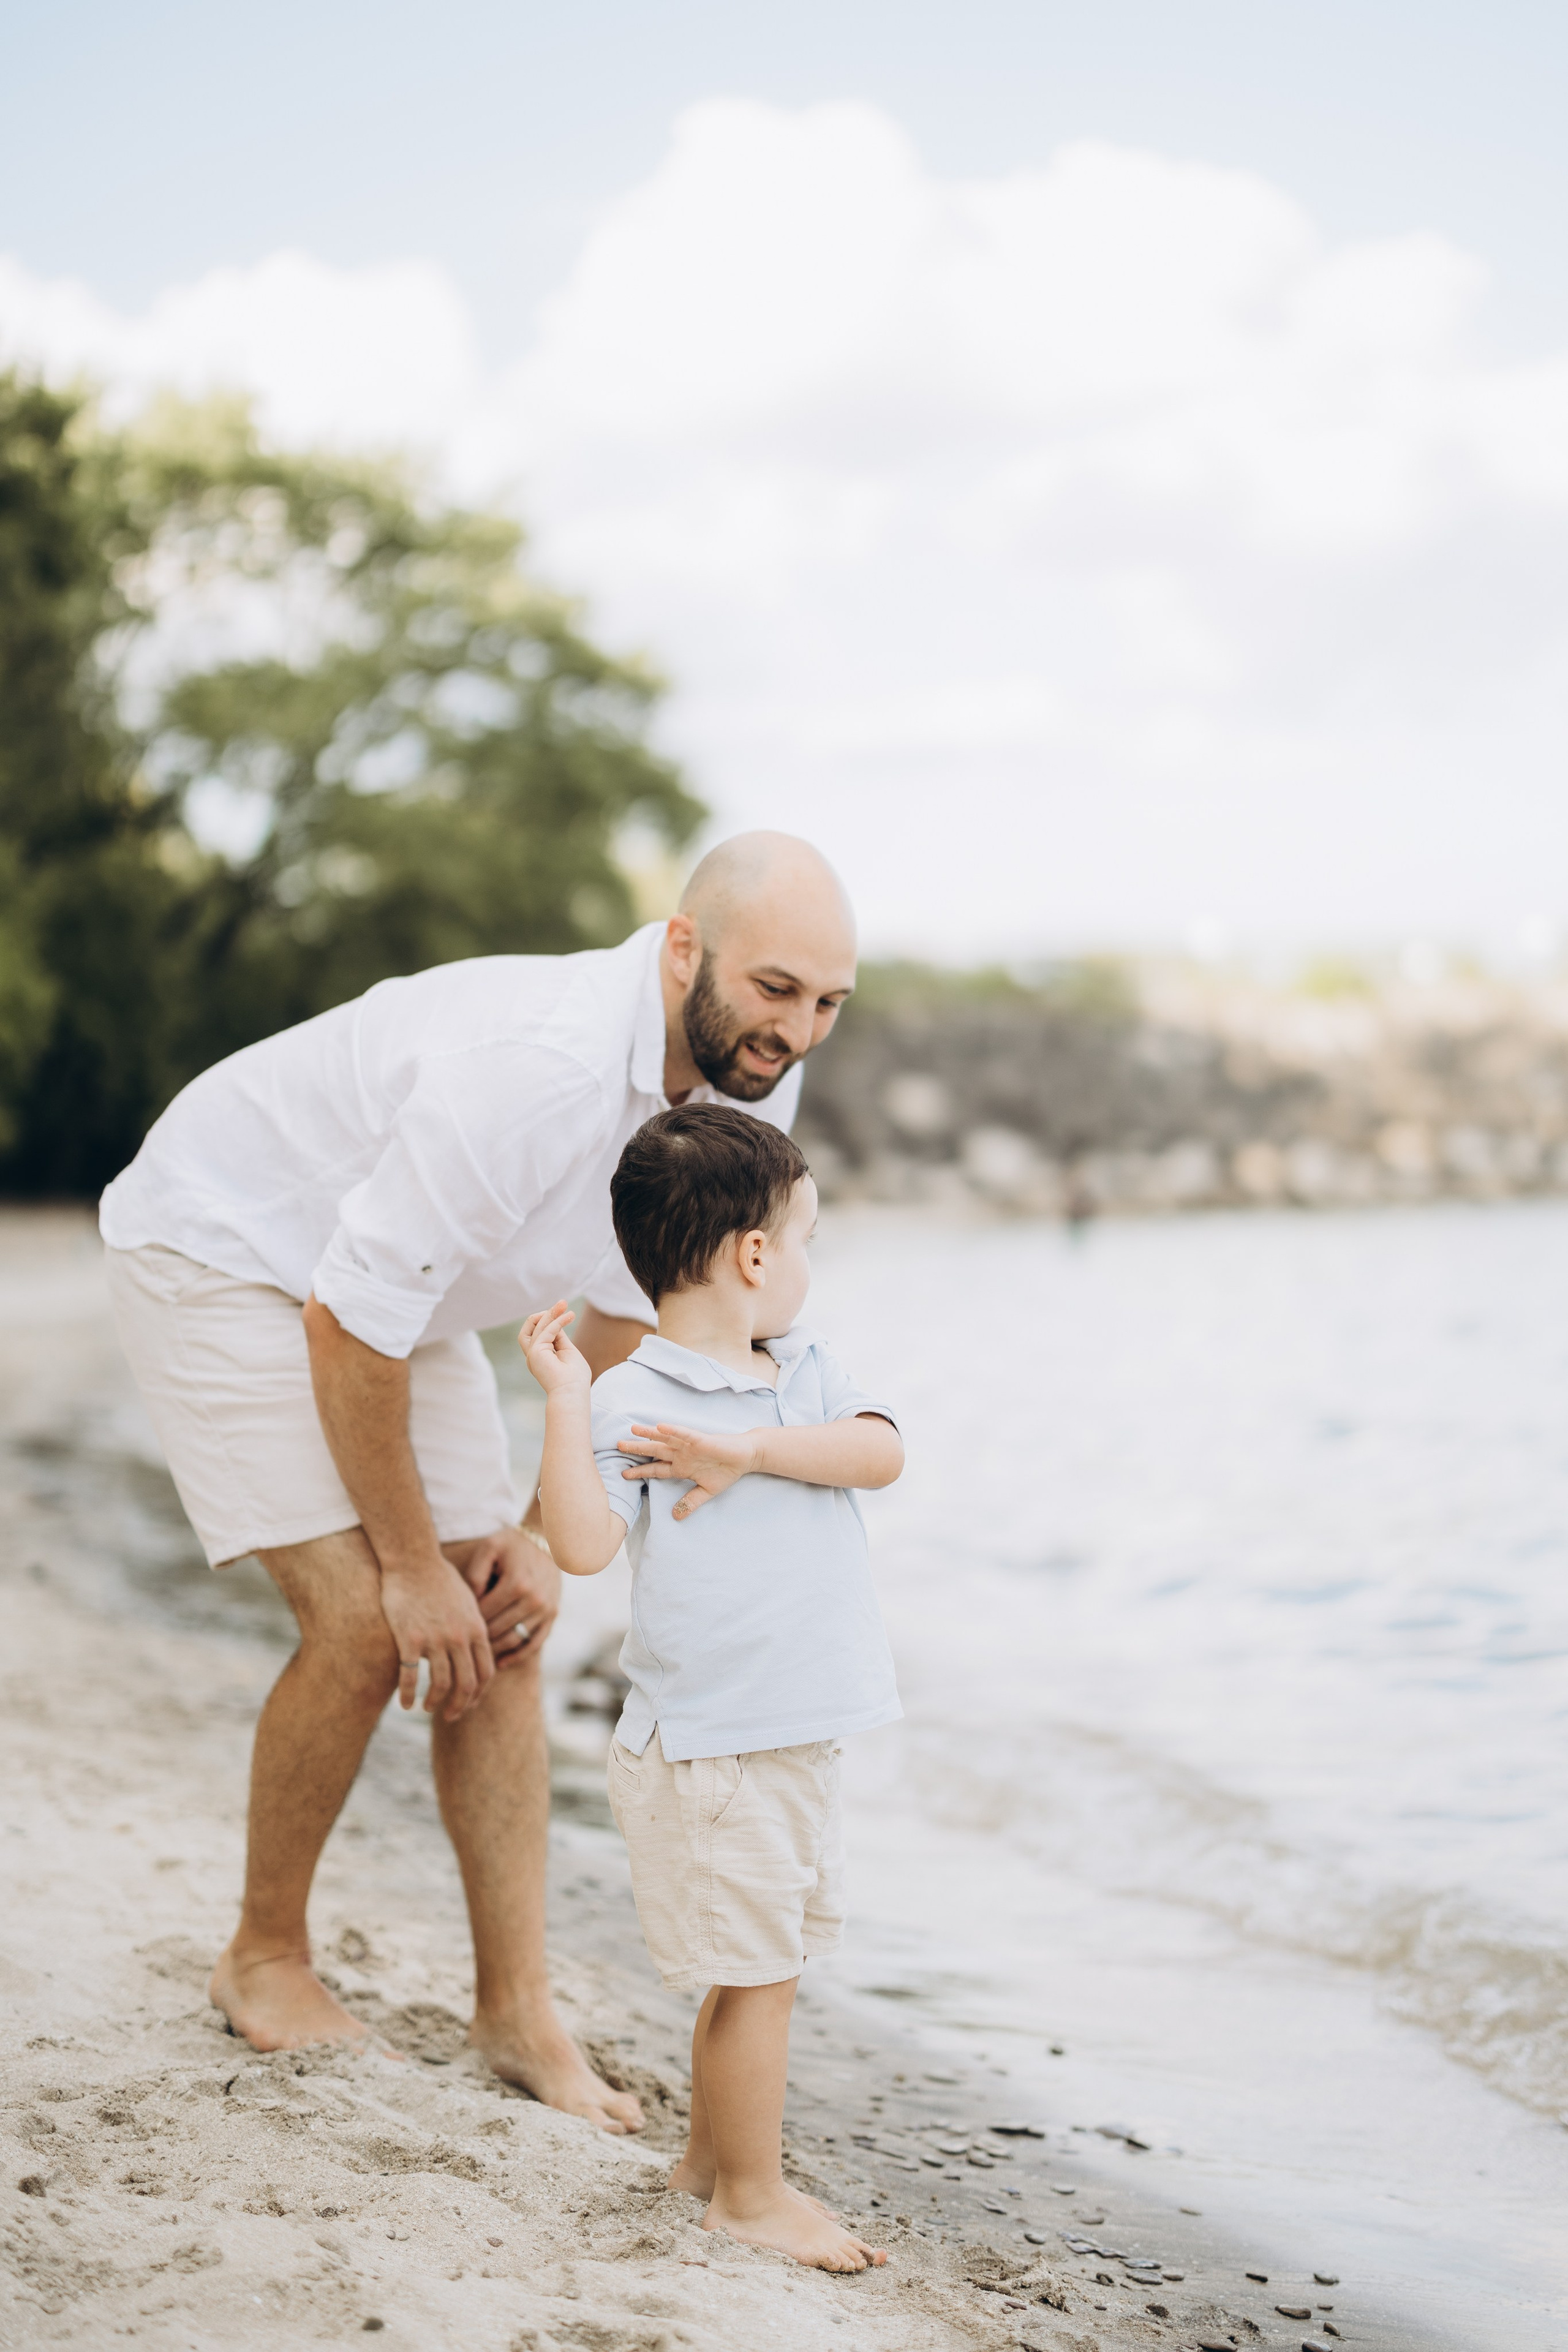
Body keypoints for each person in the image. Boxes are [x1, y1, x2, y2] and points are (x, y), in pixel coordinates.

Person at [97, 832, 858, 2130]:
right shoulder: (537, 1068)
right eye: (774, 987)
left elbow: (639, 1305)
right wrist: (406, 1566)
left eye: (828, 1003)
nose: (794, 1029)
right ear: (683, 948)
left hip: (409, 1294)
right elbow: (343, 1319)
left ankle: (515, 2012)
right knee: (359, 1622)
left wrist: (522, 1537)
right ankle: (263, 1959)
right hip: (226, 1243)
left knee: (506, 1619)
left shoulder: (746, 1085)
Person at [520, 1102, 903, 2267]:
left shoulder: (804, 1371)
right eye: (806, 1240)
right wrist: (566, 1403)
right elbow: (580, 1548)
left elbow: (880, 1451)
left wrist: (748, 1453)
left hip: (790, 1736)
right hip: (715, 1746)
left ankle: (705, 2160)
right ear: (753, 1254)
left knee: (760, 1961)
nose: (805, 1265)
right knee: (760, 1974)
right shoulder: (635, 1400)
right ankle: (749, 2194)